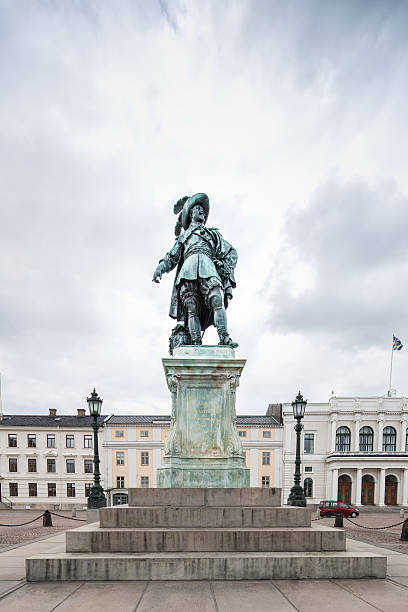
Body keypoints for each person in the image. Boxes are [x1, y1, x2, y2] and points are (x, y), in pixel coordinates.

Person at [152, 193, 238, 350]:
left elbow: (231, 252)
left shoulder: (213, 234)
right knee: (192, 308)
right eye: (198, 209)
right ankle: (196, 343)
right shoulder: (184, 236)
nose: (202, 212)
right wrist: (161, 268)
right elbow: (172, 256)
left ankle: (224, 338)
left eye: (203, 211)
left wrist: (225, 267)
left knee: (217, 300)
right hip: (188, 271)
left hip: (208, 266)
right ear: (190, 213)